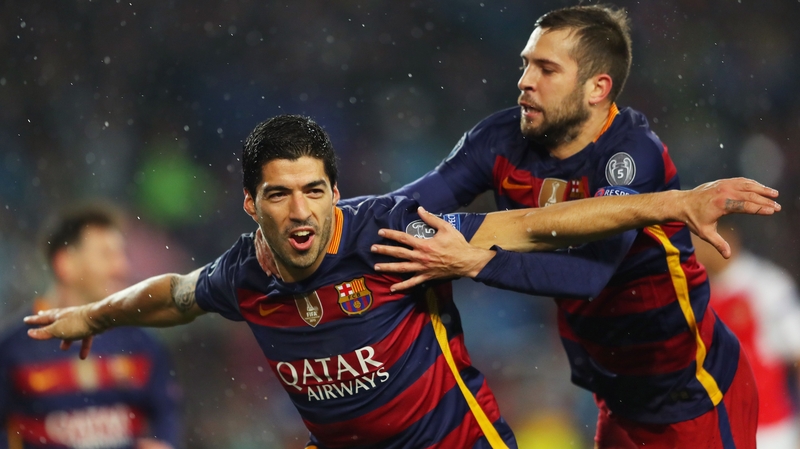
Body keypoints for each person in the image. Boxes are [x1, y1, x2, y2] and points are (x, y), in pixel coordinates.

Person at [23, 115, 778, 449]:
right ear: (251, 203)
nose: (301, 210)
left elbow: (538, 225)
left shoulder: (391, 231)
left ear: (334, 190)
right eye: (280, 193)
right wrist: (94, 314)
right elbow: (173, 295)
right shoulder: (242, 274)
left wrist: (673, 202)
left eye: (315, 190)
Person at [344, 4, 766, 448]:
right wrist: (331, 218)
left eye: (547, 69)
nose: (525, 81)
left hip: (692, 394)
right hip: (617, 393)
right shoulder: (499, 139)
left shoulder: (633, 156)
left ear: (596, 88)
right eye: (526, 64)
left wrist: (474, 261)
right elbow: (405, 207)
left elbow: (588, 274)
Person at [0, 204, 180, 449]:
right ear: (66, 265)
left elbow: (165, 418)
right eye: (107, 255)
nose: (122, 267)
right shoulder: (11, 351)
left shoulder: (142, 344)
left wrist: (162, 442)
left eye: (122, 255)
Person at [692, 223, 800, 449]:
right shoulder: (696, 290)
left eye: (699, 238)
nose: (694, 247)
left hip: (768, 432)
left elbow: (797, 351)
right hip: (715, 430)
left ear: (726, 236)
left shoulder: (766, 285)